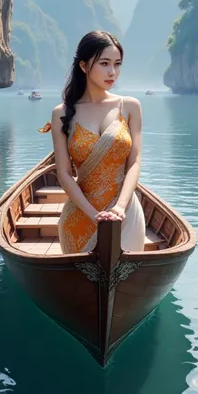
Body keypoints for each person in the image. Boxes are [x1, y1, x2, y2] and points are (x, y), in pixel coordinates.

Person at [47, 30, 146, 254]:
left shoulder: (130, 107)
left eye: (117, 64)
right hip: (81, 216)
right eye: (104, 63)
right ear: (84, 66)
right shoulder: (61, 113)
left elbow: (135, 163)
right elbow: (63, 173)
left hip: (125, 215)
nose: (113, 72)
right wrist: (94, 215)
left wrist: (120, 207)